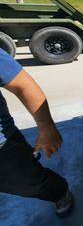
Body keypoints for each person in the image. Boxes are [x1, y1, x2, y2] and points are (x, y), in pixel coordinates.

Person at [0, 48, 74, 217]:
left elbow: (22, 85)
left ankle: (59, 193)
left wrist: (46, 127)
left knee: (27, 183)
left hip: (3, 145)